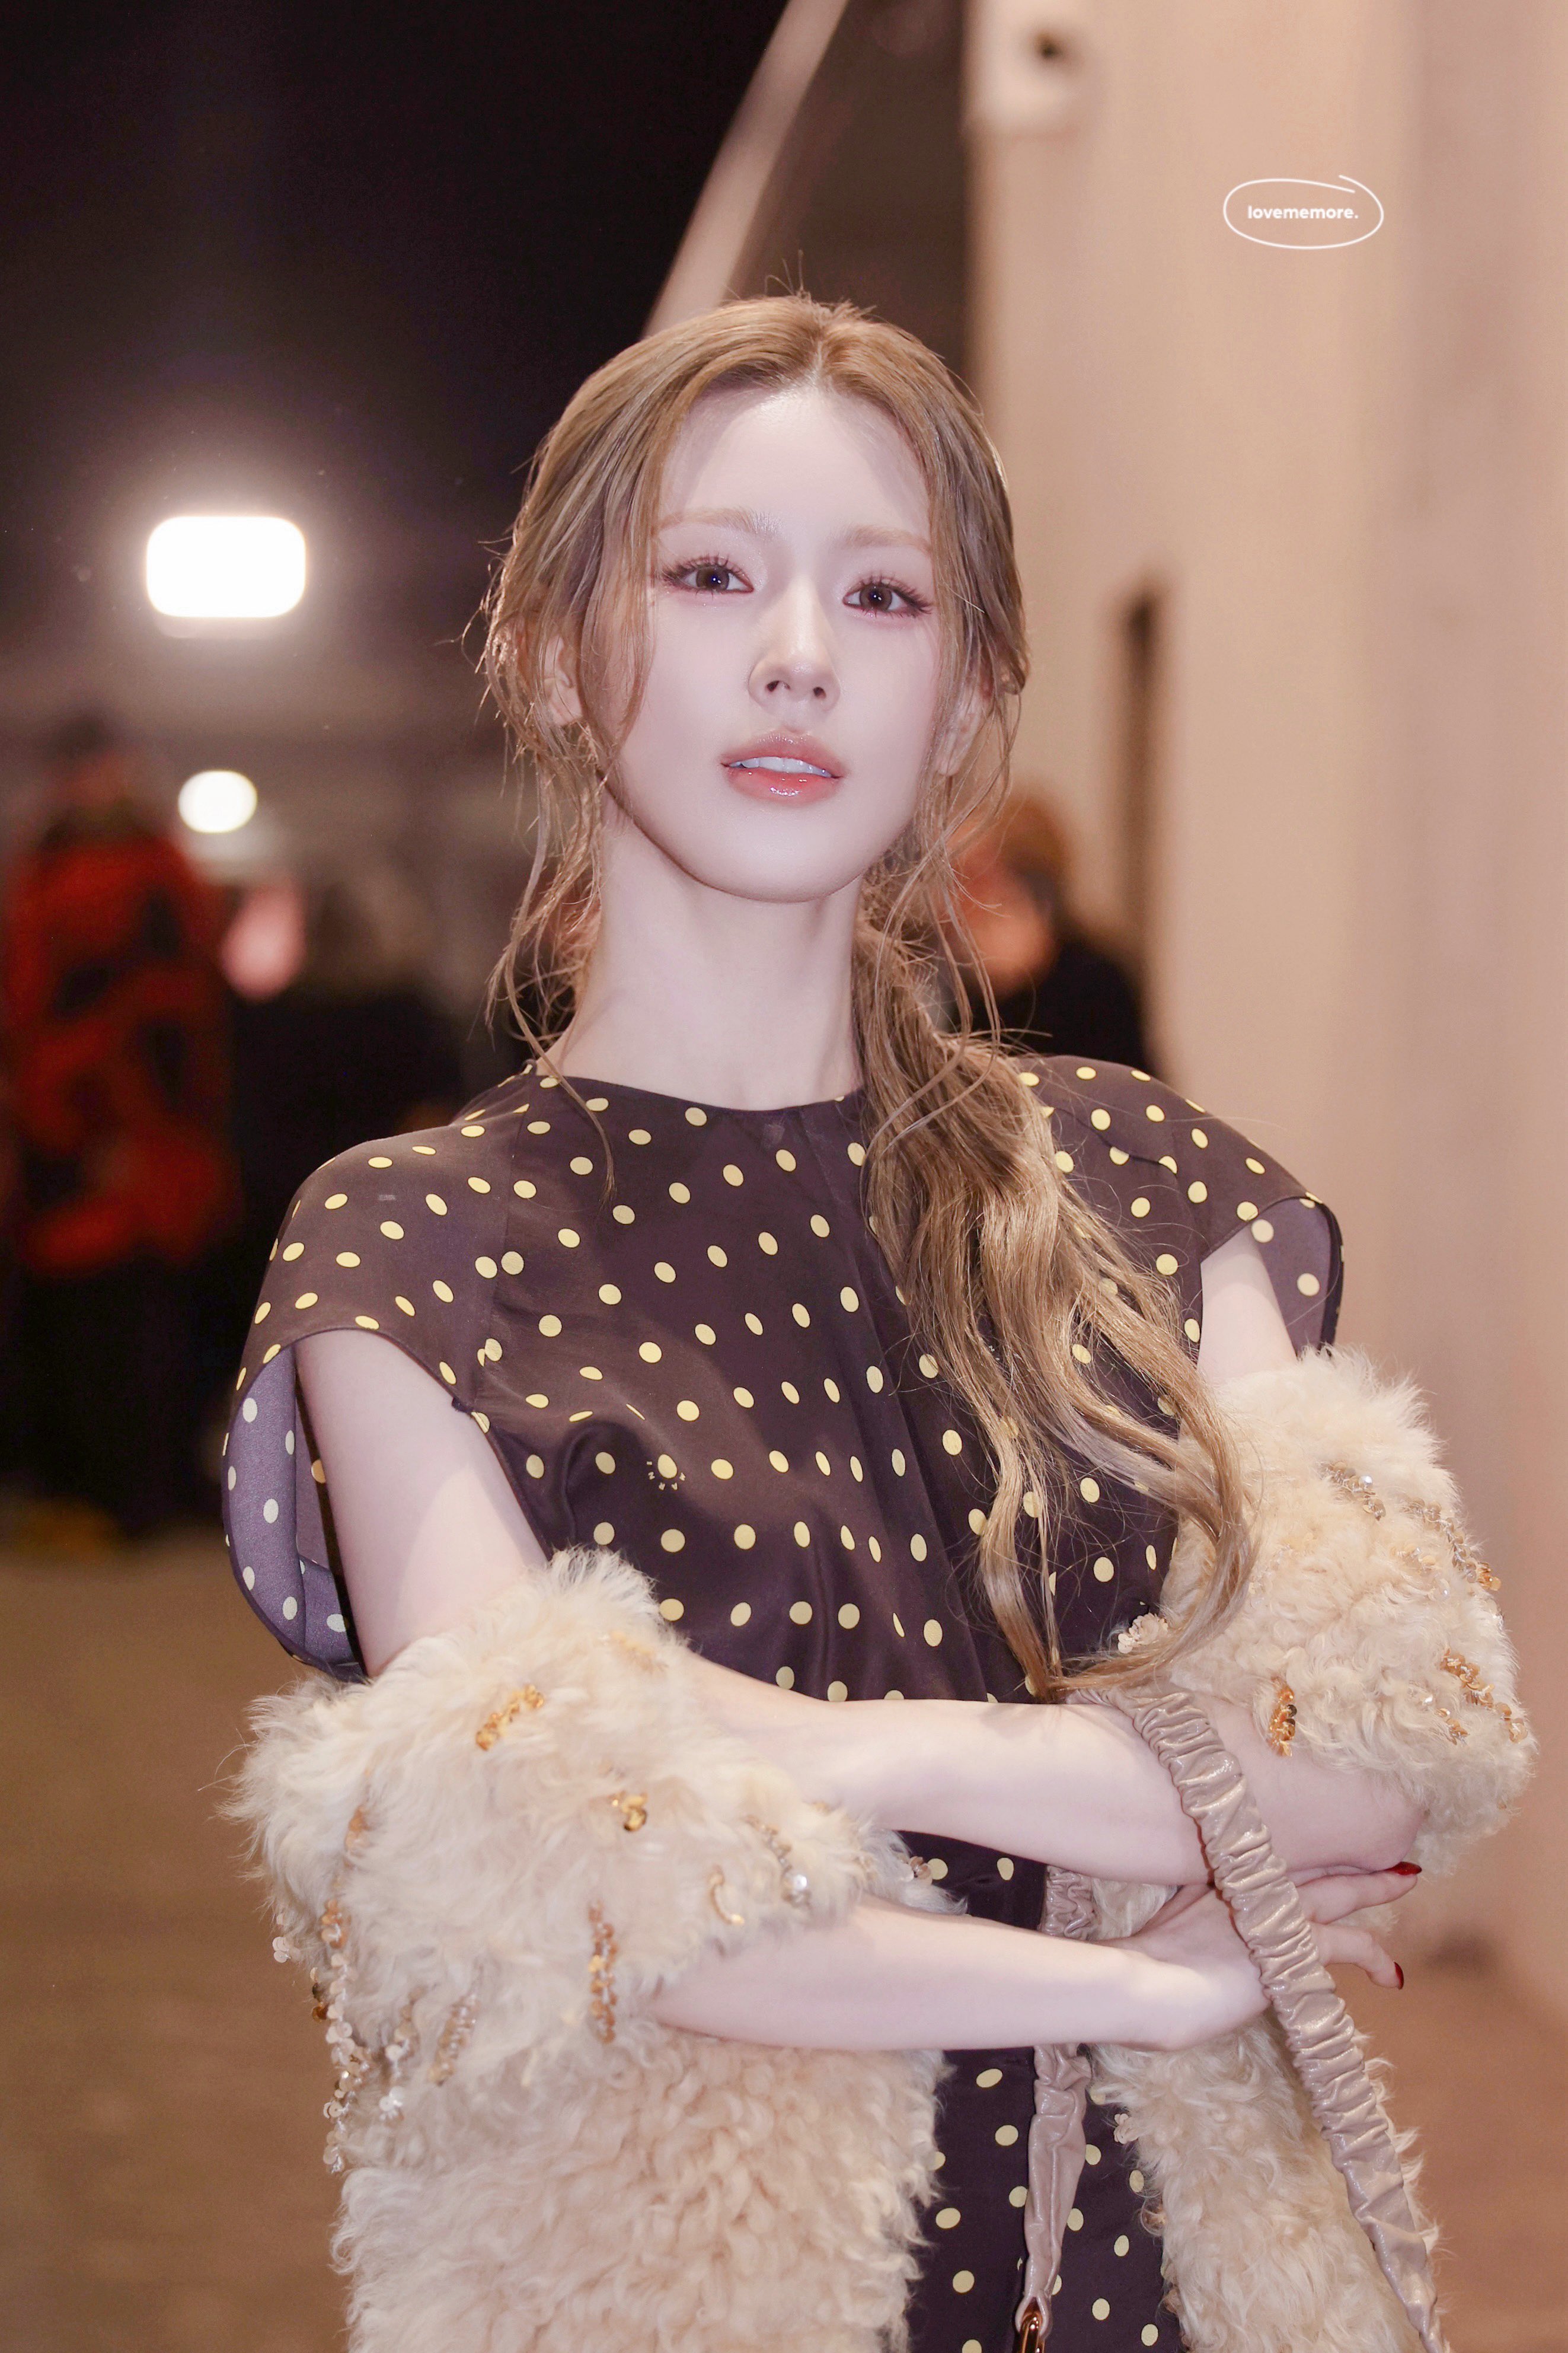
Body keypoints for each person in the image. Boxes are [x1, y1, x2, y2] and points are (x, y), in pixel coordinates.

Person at [223, 301, 1528, 2353]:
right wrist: (1140, 1971)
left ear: (964, 692)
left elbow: (1369, 1762)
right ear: (551, 652)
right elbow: (553, 1868)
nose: (797, 654)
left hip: (1174, 2289)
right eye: (708, 573)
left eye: (882, 593)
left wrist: (784, 1741)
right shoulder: (416, 1242)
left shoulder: (1150, 1189)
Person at [3, 712, 234, 1541]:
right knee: (75, 1321)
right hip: (57, 1130)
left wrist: (134, 1129)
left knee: (138, 1319)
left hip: (134, 1139)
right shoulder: (41, 873)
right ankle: (94, 1490)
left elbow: (173, 1015)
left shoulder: (155, 874)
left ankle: (136, 1493)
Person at [953, 794, 1151, 1070]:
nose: (953, 896)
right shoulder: (945, 967)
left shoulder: (1096, 979)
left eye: (970, 875)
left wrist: (1014, 992)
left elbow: (1124, 1088)